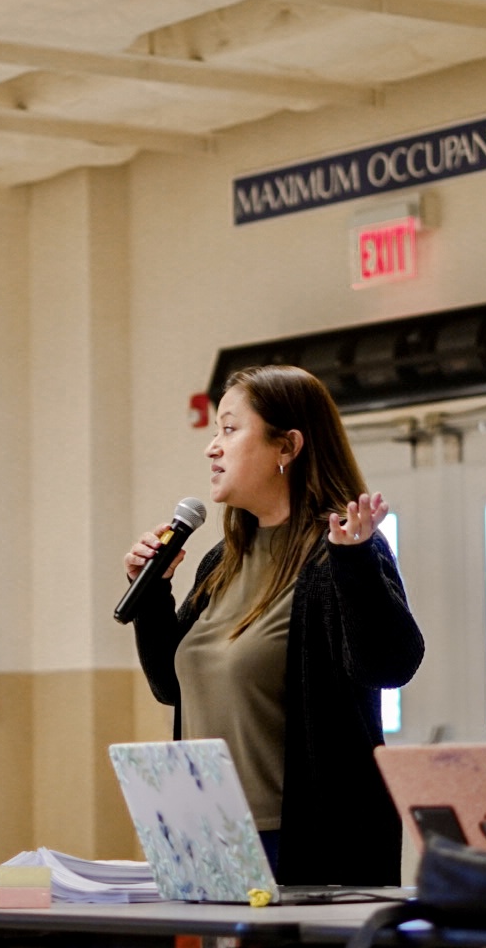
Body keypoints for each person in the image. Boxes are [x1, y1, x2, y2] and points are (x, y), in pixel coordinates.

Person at [125, 364, 423, 887]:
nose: (212, 448)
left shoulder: (342, 552)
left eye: (229, 429)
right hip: (203, 830)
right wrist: (152, 595)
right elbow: (172, 687)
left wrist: (355, 566)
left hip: (303, 839)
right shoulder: (222, 560)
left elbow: (390, 665)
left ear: (287, 446)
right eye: (215, 431)